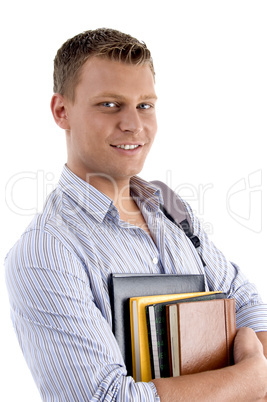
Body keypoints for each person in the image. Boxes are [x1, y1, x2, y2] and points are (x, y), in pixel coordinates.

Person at [5, 28, 267, 401]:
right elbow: (108, 398)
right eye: (110, 104)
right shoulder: (45, 253)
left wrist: (252, 367)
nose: (134, 124)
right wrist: (247, 382)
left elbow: (247, 303)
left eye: (144, 105)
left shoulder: (170, 207)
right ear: (62, 111)